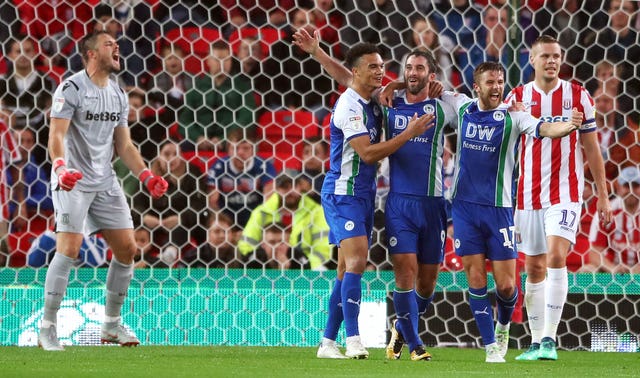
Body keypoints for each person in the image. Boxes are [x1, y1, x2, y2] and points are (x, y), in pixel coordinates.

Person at [294, 29, 455, 361]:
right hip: (343, 194)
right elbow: (367, 154)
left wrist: (319, 53)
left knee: (344, 271)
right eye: (373, 67)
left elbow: (346, 73)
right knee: (357, 262)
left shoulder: (373, 96)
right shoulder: (349, 107)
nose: (381, 73)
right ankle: (353, 339)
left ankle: (327, 342)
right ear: (359, 72)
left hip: (365, 195)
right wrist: (409, 133)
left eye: (382, 66)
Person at [444, 62, 584, 363]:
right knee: (477, 278)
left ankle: (504, 324)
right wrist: (397, 86)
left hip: (500, 211)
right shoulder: (461, 106)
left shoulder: (514, 116)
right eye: (490, 82)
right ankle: (492, 346)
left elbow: (545, 128)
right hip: (465, 210)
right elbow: (424, 91)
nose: (497, 87)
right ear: (476, 86)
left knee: (507, 286)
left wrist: (569, 125)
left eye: (500, 82)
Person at [37, 31, 169, 351]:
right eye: (109, 44)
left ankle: (110, 325)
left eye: (117, 44)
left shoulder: (118, 93)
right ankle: (48, 326)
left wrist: (147, 175)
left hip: (105, 180)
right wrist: (60, 167)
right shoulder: (71, 88)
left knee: (127, 249)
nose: (117, 48)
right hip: (72, 179)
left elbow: (123, 144)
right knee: (69, 248)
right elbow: (56, 135)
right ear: (92, 54)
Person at [504, 35, 612, 361]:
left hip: (565, 192)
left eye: (556, 56)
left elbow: (592, 148)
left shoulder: (578, 96)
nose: (552, 61)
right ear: (532, 60)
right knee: (534, 267)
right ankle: (536, 342)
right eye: (545, 57)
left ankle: (550, 339)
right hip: (527, 194)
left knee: (555, 256)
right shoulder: (517, 97)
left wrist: (603, 196)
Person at [238, 174, 328, 270]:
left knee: (320, 271)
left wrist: (299, 263)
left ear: (300, 187)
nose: (291, 191)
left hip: (305, 265)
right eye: (285, 187)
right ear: (276, 188)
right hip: (266, 264)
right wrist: (268, 260)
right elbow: (245, 245)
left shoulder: (316, 211)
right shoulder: (261, 211)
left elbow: (322, 250)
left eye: (294, 186)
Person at [206, 128, 277, 228]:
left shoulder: (264, 166)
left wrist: (253, 227)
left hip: (256, 219)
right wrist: (228, 228)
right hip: (226, 221)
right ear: (228, 150)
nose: (240, 153)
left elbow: (269, 200)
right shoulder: (219, 166)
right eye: (235, 148)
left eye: (246, 148)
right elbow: (212, 202)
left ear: (254, 150)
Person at [581, 166, 640, 274]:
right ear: (618, 187)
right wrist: (613, 268)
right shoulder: (607, 212)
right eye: (627, 186)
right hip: (611, 269)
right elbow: (594, 253)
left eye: (636, 186)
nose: (631, 190)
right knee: (586, 270)